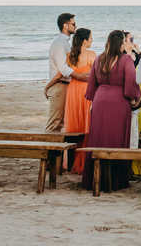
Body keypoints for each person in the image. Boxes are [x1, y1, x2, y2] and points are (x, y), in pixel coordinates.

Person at [81, 30, 141, 192]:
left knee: (99, 137)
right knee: (116, 139)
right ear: (121, 44)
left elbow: (91, 83)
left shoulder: (99, 59)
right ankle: (116, 180)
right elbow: (130, 84)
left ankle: (95, 177)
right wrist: (135, 96)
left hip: (100, 101)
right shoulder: (126, 60)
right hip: (118, 102)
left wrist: (95, 97)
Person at [46, 28, 94, 173]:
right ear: (85, 40)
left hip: (73, 92)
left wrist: (48, 85)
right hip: (85, 92)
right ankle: (84, 161)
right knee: (86, 125)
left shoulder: (70, 56)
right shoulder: (92, 55)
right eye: (91, 38)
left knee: (73, 126)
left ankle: (71, 161)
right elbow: (96, 75)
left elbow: (60, 73)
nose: (92, 40)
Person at [46, 13, 77, 131]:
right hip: (59, 85)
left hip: (64, 85)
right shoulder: (59, 43)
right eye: (73, 24)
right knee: (55, 123)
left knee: (61, 122)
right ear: (65, 25)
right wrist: (80, 76)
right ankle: (49, 149)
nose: (75, 26)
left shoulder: (65, 43)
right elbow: (63, 69)